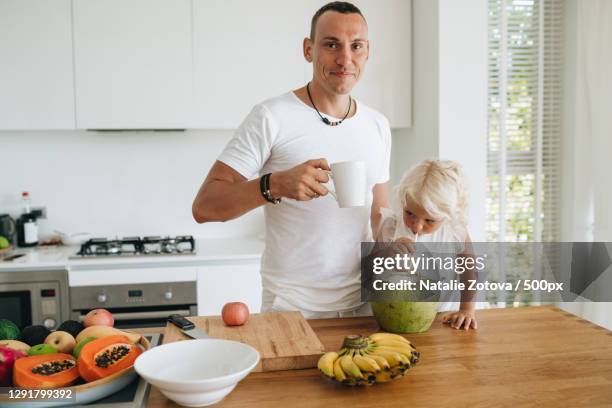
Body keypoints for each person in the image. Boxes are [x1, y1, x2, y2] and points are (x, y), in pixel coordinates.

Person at [192, 2, 391, 318]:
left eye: (356, 46)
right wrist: (275, 184)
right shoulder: (271, 116)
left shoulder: (377, 125)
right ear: (308, 50)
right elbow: (204, 206)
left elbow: (379, 215)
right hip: (291, 309)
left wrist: (410, 235)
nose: (345, 58)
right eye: (331, 44)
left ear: (368, 52)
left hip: (364, 306)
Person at [376, 160, 479, 330]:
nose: (416, 226)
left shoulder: (455, 232)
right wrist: (386, 253)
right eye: (409, 213)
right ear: (403, 199)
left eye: (429, 220)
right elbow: (370, 270)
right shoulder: (390, 227)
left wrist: (467, 310)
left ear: (448, 215)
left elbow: (469, 272)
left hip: (445, 320)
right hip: (394, 316)